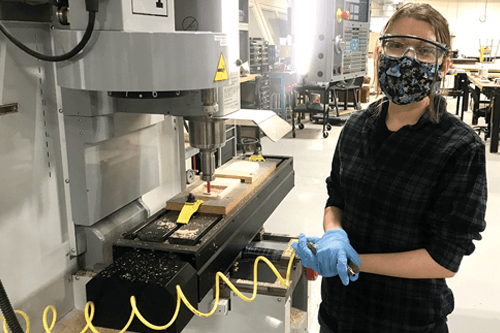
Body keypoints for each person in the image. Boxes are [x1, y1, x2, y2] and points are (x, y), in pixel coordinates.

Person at [292, 3, 487, 333]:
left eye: (425, 50)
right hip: (337, 313)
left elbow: (444, 259)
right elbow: (336, 198)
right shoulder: (355, 126)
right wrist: (335, 233)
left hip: (405, 320)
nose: (408, 59)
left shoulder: (460, 147)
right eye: (397, 45)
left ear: (444, 65)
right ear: (379, 53)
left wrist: (352, 261)